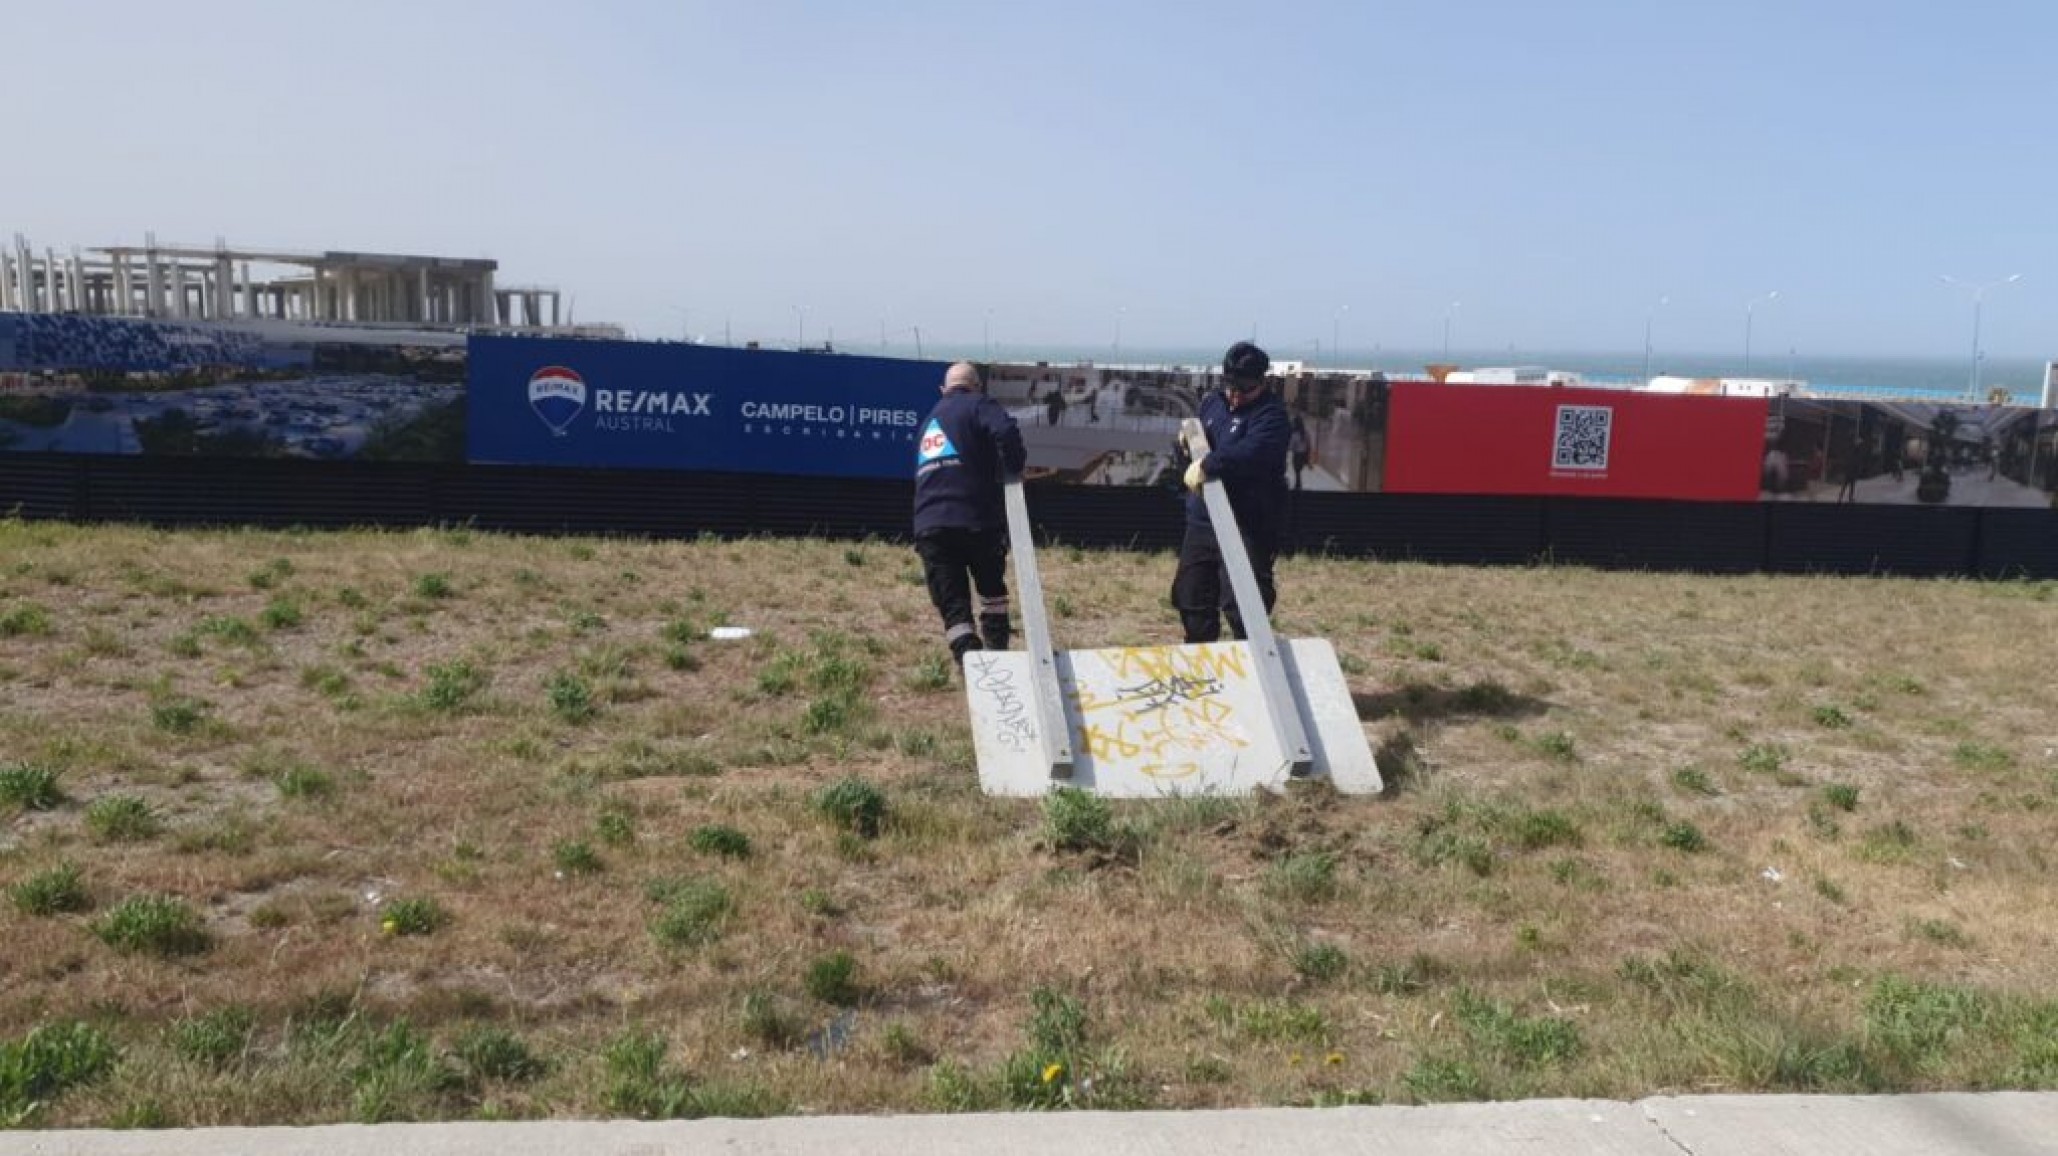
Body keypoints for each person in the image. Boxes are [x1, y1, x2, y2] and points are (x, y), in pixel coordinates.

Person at [1171, 341, 1290, 644]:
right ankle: (1202, 670)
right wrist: (1183, 447)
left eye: (1245, 389)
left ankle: (1254, 670)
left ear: (1261, 382)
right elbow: (1196, 439)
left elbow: (1252, 453)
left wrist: (1210, 464)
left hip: (1248, 523)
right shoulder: (1212, 404)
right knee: (1192, 597)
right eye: (1230, 387)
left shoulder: (1272, 416)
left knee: (1244, 604)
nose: (1235, 396)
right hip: (1203, 522)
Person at [913, 361, 1027, 667]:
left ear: (943, 390)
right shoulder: (978, 404)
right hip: (976, 519)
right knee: (991, 592)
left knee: (953, 606)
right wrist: (1014, 465)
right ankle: (999, 662)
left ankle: (969, 663)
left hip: (930, 525)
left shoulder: (928, 422)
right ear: (976, 386)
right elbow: (1005, 430)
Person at [1289, 414, 1312, 490]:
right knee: (1298, 470)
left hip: (1297, 454)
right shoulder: (1306, 433)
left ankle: (1298, 485)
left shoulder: (1295, 434)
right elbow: (1309, 444)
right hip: (1304, 454)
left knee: (1297, 470)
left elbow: (1291, 446)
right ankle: (1298, 484)